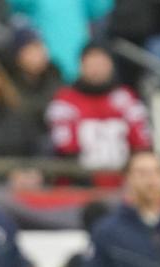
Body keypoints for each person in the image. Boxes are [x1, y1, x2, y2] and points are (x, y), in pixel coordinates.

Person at [45, 42, 152, 185]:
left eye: (101, 63)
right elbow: (65, 148)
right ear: (81, 66)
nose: (96, 69)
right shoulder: (65, 101)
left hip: (123, 187)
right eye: (91, 63)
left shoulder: (127, 99)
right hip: (77, 188)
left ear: (111, 65)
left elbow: (141, 144)